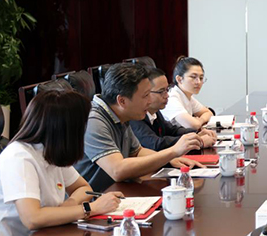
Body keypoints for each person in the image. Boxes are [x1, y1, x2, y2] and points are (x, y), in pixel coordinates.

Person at [0, 90, 124, 236]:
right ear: (67, 129)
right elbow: (33, 218)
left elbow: (83, 188)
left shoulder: (51, 150)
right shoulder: (19, 158)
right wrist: (90, 208)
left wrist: (69, 205)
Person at [75, 63, 203, 192]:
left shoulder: (120, 114)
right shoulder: (93, 120)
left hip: (117, 192)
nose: (150, 101)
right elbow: (117, 170)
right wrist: (173, 152)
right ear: (122, 101)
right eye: (145, 95)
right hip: (95, 199)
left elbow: (137, 152)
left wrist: (169, 160)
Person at [130, 67, 216, 151]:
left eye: (167, 90)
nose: (167, 95)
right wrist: (196, 141)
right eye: (161, 91)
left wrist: (196, 133)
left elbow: (173, 130)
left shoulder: (155, 112)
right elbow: (155, 144)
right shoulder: (135, 117)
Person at [161, 56, 214, 129]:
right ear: (179, 79)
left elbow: (209, 113)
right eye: (193, 77)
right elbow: (193, 125)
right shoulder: (171, 98)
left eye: (201, 78)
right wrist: (198, 121)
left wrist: (200, 120)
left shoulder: (187, 96)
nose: (198, 82)